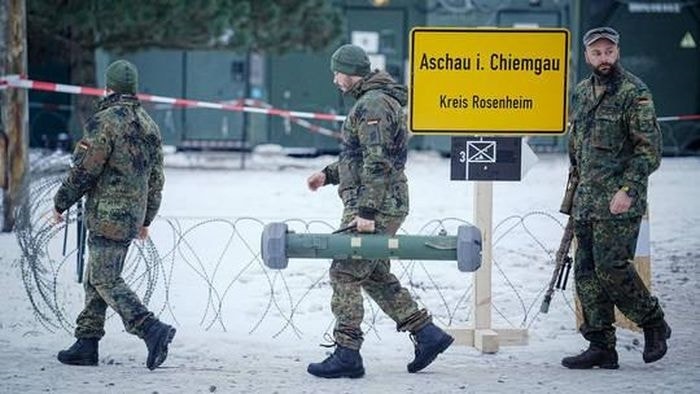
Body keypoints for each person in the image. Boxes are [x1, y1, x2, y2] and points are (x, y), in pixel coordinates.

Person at [305, 44, 454, 378]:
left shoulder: (372, 103)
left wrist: (368, 212)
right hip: (377, 200)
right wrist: (327, 175)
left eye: (337, 72)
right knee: (371, 272)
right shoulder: (370, 100)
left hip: (376, 203)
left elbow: (378, 160)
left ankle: (347, 353)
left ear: (351, 72)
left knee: (344, 270)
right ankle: (426, 333)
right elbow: (358, 156)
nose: (334, 79)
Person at [52, 59, 176, 370]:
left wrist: (60, 202)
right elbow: (156, 179)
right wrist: (146, 218)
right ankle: (87, 342)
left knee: (105, 278)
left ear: (108, 88)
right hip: (131, 216)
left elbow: (85, 170)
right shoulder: (149, 125)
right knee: (97, 276)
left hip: (106, 215)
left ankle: (150, 329)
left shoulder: (103, 121)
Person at [561, 27, 670, 369]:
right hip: (586, 201)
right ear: (588, 56)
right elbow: (577, 153)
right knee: (587, 274)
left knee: (613, 270)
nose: (603, 58)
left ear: (617, 52)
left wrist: (628, 190)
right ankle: (601, 345)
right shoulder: (580, 93)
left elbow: (649, 150)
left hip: (618, 201)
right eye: (597, 53)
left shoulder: (633, 92)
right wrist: (572, 199)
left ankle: (653, 322)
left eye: (609, 52)